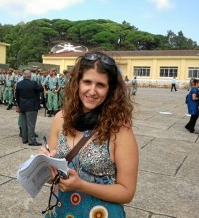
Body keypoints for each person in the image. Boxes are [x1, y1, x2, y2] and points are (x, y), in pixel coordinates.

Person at [39, 52, 139, 217]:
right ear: (77, 83)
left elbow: (127, 192)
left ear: (110, 90)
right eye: (87, 82)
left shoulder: (120, 129)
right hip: (60, 211)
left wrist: (81, 185)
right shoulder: (60, 119)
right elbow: (53, 178)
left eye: (100, 85)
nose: (92, 91)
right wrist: (44, 168)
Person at [15, 70, 43, 146]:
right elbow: (41, 89)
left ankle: (24, 139)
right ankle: (31, 140)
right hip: (32, 106)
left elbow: (16, 96)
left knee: (23, 123)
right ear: (29, 76)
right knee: (31, 124)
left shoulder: (19, 84)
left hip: (22, 106)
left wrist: (18, 105)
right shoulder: (33, 83)